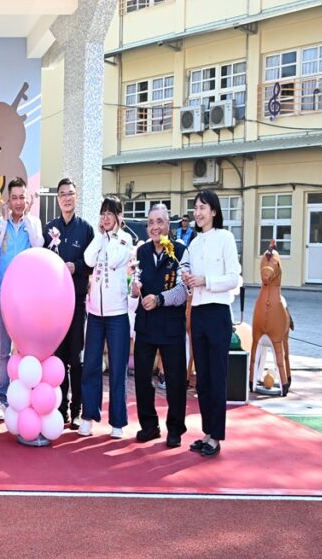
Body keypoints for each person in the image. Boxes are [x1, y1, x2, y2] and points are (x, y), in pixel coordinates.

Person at [184, 189, 242, 458]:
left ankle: (216, 437)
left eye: (202, 208)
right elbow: (189, 274)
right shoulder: (194, 243)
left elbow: (234, 278)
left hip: (218, 313)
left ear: (214, 212)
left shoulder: (225, 238)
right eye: (195, 208)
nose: (197, 213)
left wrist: (206, 281)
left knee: (217, 376)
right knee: (203, 378)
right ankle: (207, 432)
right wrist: (188, 279)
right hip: (197, 312)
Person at [131, 203, 189, 448]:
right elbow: (135, 281)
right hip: (145, 324)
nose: (155, 227)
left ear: (168, 225)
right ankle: (149, 425)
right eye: (151, 223)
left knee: (175, 379)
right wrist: (134, 289)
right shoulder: (142, 251)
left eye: (160, 222)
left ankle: (175, 429)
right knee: (142, 378)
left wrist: (160, 299)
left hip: (171, 325)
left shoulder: (180, 251)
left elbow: (184, 290)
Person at [79, 197, 134, 439]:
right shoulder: (100, 239)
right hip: (95, 314)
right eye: (103, 213)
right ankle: (88, 417)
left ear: (119, 216)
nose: (105, 218)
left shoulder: (125, 239)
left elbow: (113, 260)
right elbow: (88, 259)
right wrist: (101, 236)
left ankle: (118, 422)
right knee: (91, 365)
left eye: (110, 213)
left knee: (117, 369)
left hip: (117, 315)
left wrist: (111, 235)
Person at [0, 177, 43, 420]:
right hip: (4, 294)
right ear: (8, 200)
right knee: (4, 351)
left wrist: (29, 218)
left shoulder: (34, 223)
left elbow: (38, 244)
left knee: (25, 350)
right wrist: (2, 221)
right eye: (14, 198)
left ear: (28, 199)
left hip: (26, 298)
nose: (19, 202)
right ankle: (3, 400)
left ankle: (25, 399)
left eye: (22, 197)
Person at [44, 178, 94, 429]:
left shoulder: (86, 229)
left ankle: (77, 409)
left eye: (70, 193)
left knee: (77, 357)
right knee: (59, 358)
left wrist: (77, 267)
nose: (66, 198)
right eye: (62, 194)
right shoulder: (50, 228)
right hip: (55, 306)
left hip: (77, 303)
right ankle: (61, 408)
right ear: (57, 199)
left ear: (76, 196)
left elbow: (93, 263)